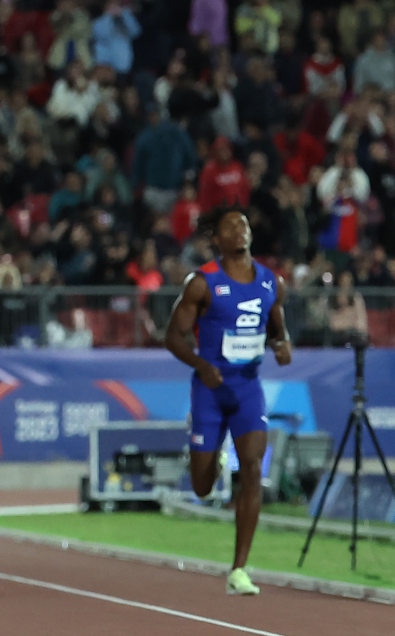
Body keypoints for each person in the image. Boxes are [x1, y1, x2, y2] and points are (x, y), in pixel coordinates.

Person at [165, 206, 292, 596]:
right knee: (202, 487)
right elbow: (173, 337)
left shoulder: (272, 283)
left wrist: (281, 344)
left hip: (248, 389)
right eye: (229, 227)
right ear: (217, 240)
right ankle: (210, 461)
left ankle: (239, 569)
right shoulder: (202, 283)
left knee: (253, 466)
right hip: (210, 390)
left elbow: (276, 325)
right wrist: (201, 365)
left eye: (244, 224)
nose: (239, 230)